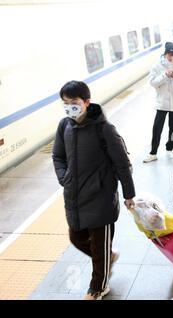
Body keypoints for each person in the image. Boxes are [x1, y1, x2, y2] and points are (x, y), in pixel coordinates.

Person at [52, 80, 135, 300]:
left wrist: (129, 194)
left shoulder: (104, 129)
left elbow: (122, 163)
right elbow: (58, 156)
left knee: (98, 247)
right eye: (65, 103)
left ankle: (98, 288)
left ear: (87, 102)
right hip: (75, 197)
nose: (70, 106)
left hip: (101, 198)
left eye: (74, 102)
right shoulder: (64, 125)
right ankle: (107, 258)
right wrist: (64, 178)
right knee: (76, 238)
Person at [144, 42, 173, 163]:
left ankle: (170, 149)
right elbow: (152, 82)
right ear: (165, 53)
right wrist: (165, 75)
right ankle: (153, 153)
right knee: (157, 128)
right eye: (170, 53)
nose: (171, 56)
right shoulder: (157, 66)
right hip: (162, 104)